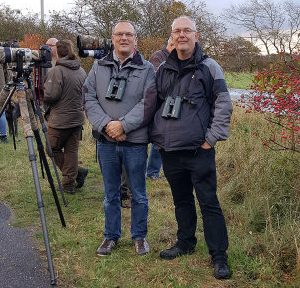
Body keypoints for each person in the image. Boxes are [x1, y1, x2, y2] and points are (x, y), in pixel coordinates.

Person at [150, 16, 233, 280]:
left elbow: (223, 104)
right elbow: (154, 104)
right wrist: (158, 139)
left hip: (199, 150)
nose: (182, 35)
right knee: (182, 200)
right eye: (177, 31)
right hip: (170, 150)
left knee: (208, 202)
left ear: (196, 36)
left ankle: (219, 255)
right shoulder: (162, 69)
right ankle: (185, 242)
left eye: (187, 30)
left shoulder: (210, 67)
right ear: (172, 37)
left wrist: (211, 139)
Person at [84, 20, 156, 256]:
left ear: (136, 39)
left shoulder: (146, 69)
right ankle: (110, 236)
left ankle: (139, 237)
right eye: (119, 34)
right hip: (106, 142)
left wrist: (123, 125)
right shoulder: (97, 67)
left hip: (134, 143)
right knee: (110, 194)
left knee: (138, 193)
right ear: (112, 39)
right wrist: (107, 126)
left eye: (128, 34)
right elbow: (89, 98)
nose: (124, 38)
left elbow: (148, 103)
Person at [44, 39, 88, 195]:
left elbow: (50, 95)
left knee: (50, 149)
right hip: (77, 118)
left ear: (57, 52)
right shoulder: (81, 70)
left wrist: (43, 90)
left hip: (60, 120)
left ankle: (75, 174)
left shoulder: (57, 71)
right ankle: (69, 184)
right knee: (71, 152)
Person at [146, 37, 175, 179]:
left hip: (172, 102)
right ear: (171, 44)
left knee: (166, 137)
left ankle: (157, 170)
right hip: (158, 102)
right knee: (159, 137)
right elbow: (157, 77)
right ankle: (152, 172)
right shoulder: (157, 56)